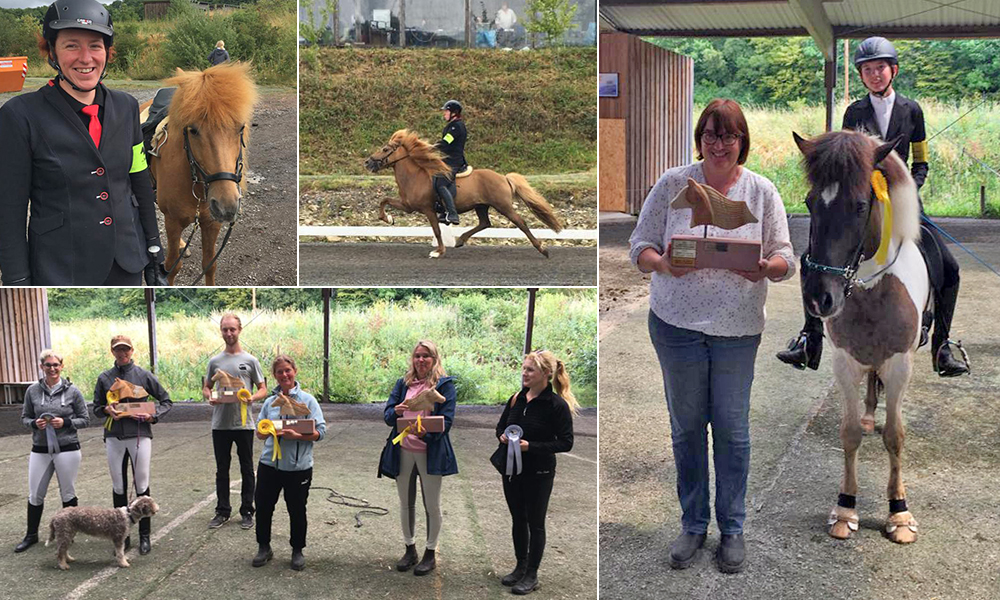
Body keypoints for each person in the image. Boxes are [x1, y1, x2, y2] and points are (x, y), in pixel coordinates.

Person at [629, 99, 795, 573]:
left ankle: (733, 528)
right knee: (686, 430)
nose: (718, 145)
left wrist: (767, 267)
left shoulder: (762, 192)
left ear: (742, 142)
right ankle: (694, 524)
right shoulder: (673, 183)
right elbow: (640, 245)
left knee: (733, 431)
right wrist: (661, 264)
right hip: (676, 325)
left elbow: (786, 256)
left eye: (728, 136)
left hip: (737, 330)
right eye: (709, 135)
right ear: (699, 139)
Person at [777, 36, 969, 377]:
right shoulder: (854, 112)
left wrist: (911, 188)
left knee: (949, 267)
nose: (874, 75)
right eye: (867, 70)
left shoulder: (913, 110)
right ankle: (811, 337)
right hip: (862, 203)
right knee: (813, 258)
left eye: (879, 68)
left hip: (902, 200)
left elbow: (921, 161)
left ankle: (942, 344)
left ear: (892, 70)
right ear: (862, 75)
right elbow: (845, 163)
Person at [0, 0, 164, 286]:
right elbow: (9, 209)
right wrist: (17, 279)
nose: (86, 58)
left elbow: (139, 181)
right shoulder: (19, 116)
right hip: (61, 266)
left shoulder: (126, 108)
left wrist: (153, 246)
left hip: (126, 260)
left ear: (107, 52)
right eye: (72, 45)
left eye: (95, 46)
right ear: (52, 52)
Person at [493, 350, 578, 595]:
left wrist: (531, 447)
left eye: (530, 369)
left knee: (535, 522)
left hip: (539, 472)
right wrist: (501, 436)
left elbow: (566, 442)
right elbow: (502, 426)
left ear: (546, 374)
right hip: (512, 470)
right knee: (518, 519)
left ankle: (532, 573)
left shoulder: (556, 405)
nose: (524, 373)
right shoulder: (516, 398)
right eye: (524, 368)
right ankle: (520, 566)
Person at [378, 340, 458, 576]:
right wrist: (398, 410)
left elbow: (448, 421)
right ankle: (409, 548)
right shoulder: (403, 384)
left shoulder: (445, 386)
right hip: (403, 449)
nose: (421, 360)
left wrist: (428, 432)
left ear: (435, 359)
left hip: (430, 452)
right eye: (417, 356)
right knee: (406, 503)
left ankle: (430, 553)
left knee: (431, 504)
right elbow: (388, 416)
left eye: (426, 356)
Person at [93, 334, 172, 555]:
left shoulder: (143, 375)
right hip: (114, 436)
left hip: (140, 435)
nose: (122, 353)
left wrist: (152, 416)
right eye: (118, 349)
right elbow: (97, 408)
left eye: (126, 349)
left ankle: (144, 535)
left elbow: (166, 401)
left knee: (142, 486)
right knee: (118, 486)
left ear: (132, 350)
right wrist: (106, 410)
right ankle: (121, 535)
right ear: (112, 352)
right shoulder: (104, 377)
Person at [252, 355, 326, 571]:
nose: (284, 375)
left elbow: (320, 432)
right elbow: (259, 432)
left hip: (298, 468)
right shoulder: (269, 403)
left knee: (297, 509)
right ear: (274, 376)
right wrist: (268, 431)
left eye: (287, 370)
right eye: (279, 372)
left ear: (295, 371)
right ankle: (264, 547)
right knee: (264, 508)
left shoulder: (308, 401)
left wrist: (299, 436)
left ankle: (297, 550)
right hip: (269, 465)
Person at [14, 350, 89, 553]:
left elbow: (85, 419)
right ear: (42, 367)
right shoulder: (32, 391)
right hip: (40, 449)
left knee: (68, 492)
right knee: (35, 492)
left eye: (56, 365)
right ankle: (31, 535)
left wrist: (64, 422)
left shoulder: (73, 391)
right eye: (48, 365)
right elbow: (24, 418)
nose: (52, 368)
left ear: (62, 366)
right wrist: (34, 424)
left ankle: (69, 534)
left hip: (67, 448)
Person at [202, 313, 268, 530]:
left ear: (239, 330)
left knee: (247, 469)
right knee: (222, 469)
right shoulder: (214, 362)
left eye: (232, 329)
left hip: (244, 424)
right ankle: (222, 511)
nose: (229, 333)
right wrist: (209, 397)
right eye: (225, 329)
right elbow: (207, 387)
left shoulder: (251, 361)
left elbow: (262, 388)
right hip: (220, 425)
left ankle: (247, 511)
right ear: (221, 331)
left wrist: (252, 398)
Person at [433, 100, 468, 225]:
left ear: (454, 113)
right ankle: (442, 209)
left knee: (441, 184)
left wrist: (431, 147)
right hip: (447, 159)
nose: (444, 114)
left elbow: (446, 142)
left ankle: (452, 214)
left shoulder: (456, 127)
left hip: (453, 161)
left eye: (446, 111)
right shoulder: (453, 125)